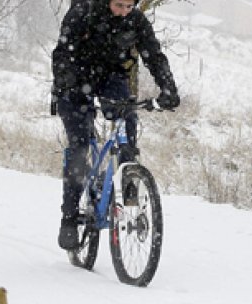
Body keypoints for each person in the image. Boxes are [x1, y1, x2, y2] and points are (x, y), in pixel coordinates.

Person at [52, 0, 180, 250]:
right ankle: (69, 218)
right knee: (79, 149)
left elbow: (153, 55)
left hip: (111, 78)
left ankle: (127, 178)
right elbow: (63, 53)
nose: (123, 11)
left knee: (128, 119)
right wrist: (67, 83)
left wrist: (168, 88)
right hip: (74, 79)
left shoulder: (136, 21)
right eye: (118, 5)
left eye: (129, 6)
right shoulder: (83, 12)